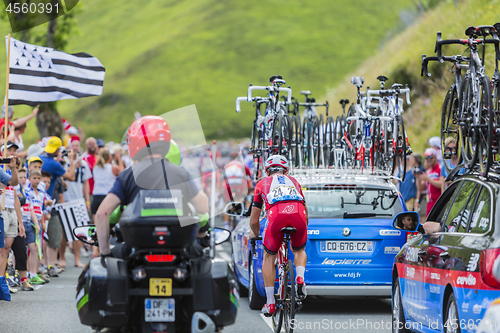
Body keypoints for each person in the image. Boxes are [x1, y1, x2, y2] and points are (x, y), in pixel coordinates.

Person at [95, 116, 209, 257]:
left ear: (136, 142)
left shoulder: (127, 175)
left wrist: (105, 251)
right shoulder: (180, 173)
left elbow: (102, 213)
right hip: (177, 248)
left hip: (136, 249)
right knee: (202, 258)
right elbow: (202, 207)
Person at [248, 155, 308, 316]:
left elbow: (254, 220)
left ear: (267, 171)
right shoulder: (295, 182)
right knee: (299, 250)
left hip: (276, 216)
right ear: (285, 170)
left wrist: (254, 233)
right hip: (299, 214)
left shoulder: (261, 184)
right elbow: (306, 214)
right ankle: (300, 279)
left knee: (269, 257)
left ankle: (270, 303)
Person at [91, 148, 122, 219]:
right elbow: (123, 174)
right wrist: (119, 159)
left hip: (96, 196)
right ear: (110, 157)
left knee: (97, 227)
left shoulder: (95, 168)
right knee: (108, 225)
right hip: (107, 197)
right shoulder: (113, 168)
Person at [418, 148, 444, 216]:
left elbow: (441, 184)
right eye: (427, 157)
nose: (428, 159)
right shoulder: (428, 171)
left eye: (430, 157)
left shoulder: (440, 168)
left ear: (435, 157)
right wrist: (418, 178)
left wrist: (428, 179)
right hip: (429, 202)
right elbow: (422, 188)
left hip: (438, 202)